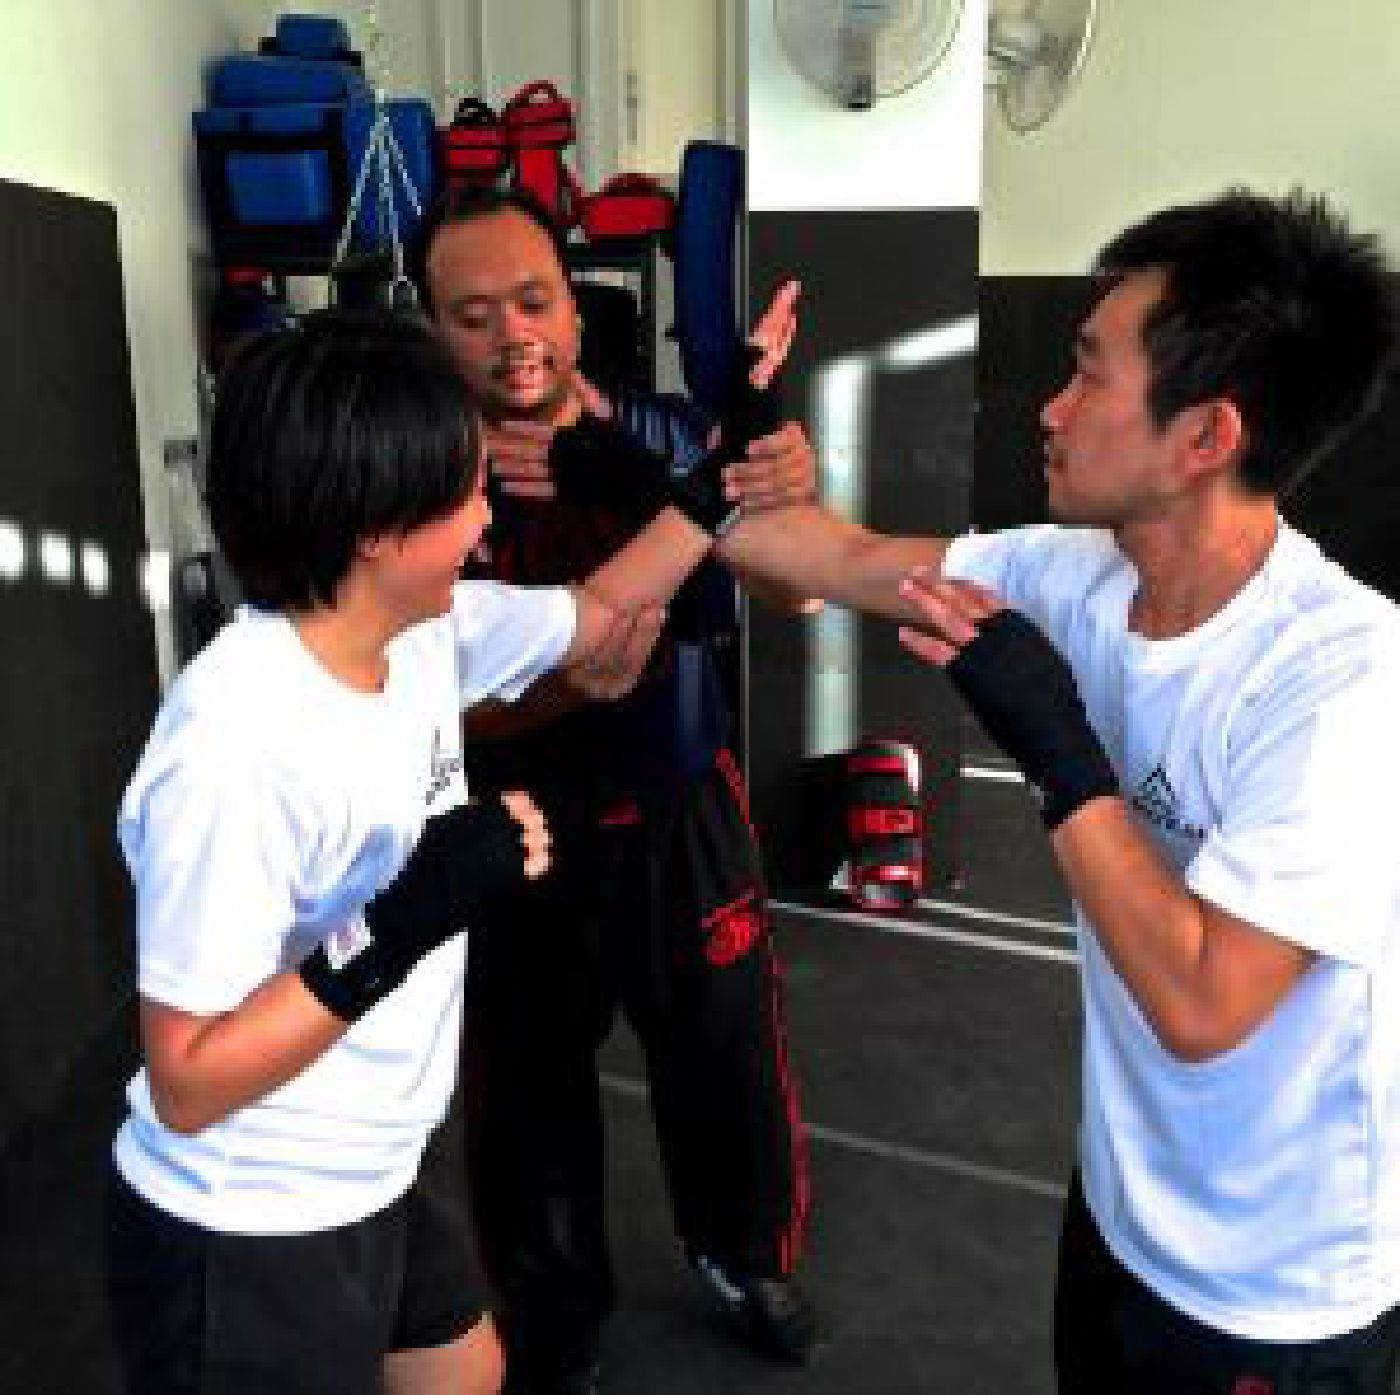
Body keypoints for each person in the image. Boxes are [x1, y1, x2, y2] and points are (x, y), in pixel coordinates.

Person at [415, 186, 948, 1395]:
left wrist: (777, 477)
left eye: (535, 299)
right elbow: (418, 703)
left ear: (573, 295)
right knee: (528, 1094)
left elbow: (796, 591)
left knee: (725, 1059)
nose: (514, 337)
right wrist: (567, 691)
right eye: (474, 314)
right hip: (513, 831)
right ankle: (552, 1315)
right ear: (434, 330)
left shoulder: (666, 430)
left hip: (679, 804)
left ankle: (737, 1254)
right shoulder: (422, 480)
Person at [105, 307, 667, 1395]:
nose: (485, 509)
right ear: (375, 527)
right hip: (246, 1219)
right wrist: (406, 916)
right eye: (462, 490)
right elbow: (185, 1081)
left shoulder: (416, 637)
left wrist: (709, 495)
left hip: (377, 1170)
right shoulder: (233, 743)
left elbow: (602, 611)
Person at [896, 188, 1400, 1393]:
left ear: (1203, 436)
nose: (1050, 409)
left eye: (1086, 375)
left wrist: (1059, 753)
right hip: (1121, 1210)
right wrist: (675, 468)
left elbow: (1199, 1000)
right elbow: (841, 558)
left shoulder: (1343, 679)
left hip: (1273, 1289)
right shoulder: (1072, 571)